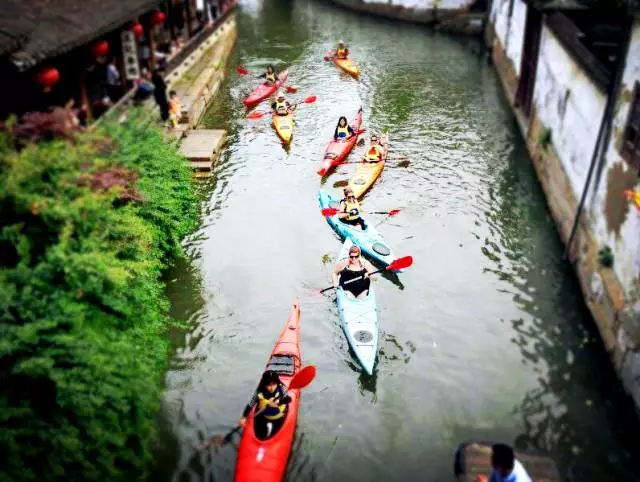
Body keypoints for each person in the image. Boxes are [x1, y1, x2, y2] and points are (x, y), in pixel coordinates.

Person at [240, 370, 291, 440]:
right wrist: (244, 417)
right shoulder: (259, 392)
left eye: (274, 384)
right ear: (264, 384)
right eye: (269, 385)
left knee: (273, 433)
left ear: (277, 383)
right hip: (264, 415)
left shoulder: (282, 387)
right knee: (261, 433)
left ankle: (270, 428)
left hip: (278, 416)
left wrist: (278, 401)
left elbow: (288, 399)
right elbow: (250, 404)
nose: (272, 388)